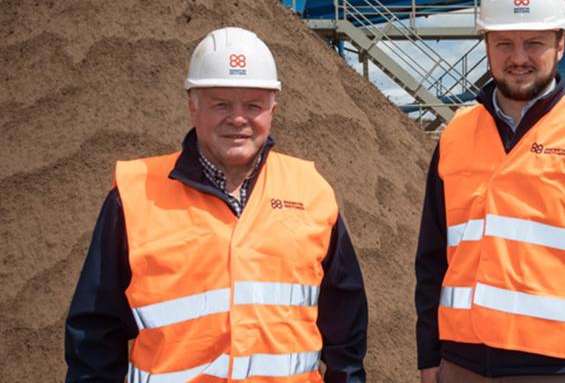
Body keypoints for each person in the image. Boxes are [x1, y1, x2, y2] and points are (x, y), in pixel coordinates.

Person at [65, 27, 368, 383]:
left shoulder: (311, 191)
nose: (237, 119)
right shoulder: (135, 195)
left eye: (253, 105)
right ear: (192, 107)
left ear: (272, 109)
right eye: (221, 104)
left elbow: (345, 326)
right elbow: (95, 333)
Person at [414, 0, 565, 382]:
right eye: (504, 43)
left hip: (559, 368)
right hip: (460, 366)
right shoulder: (455, 135)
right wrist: (429, 357)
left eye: (534, 43)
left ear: (560, 45)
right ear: (486, 45)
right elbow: (432, 259)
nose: (518, 58)